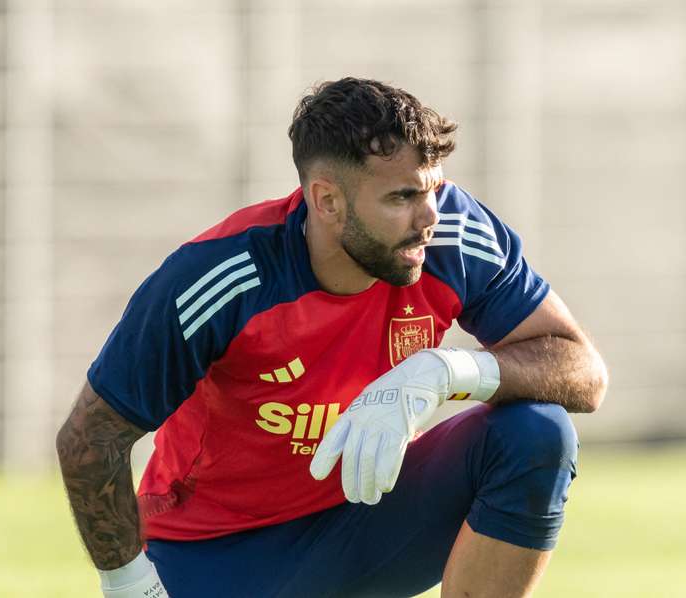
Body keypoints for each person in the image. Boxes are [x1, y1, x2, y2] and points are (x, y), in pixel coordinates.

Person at [56, 77, 608, 598]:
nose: (430, 216)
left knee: (537, 432)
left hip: (369, 517)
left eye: (434, 189)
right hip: (220, 550)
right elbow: (89, 439)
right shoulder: (224, 275)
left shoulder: (452, 237)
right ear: (327, 201)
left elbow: (582, 371)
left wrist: (448, 372)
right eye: (401, 197)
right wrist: (131, 588)